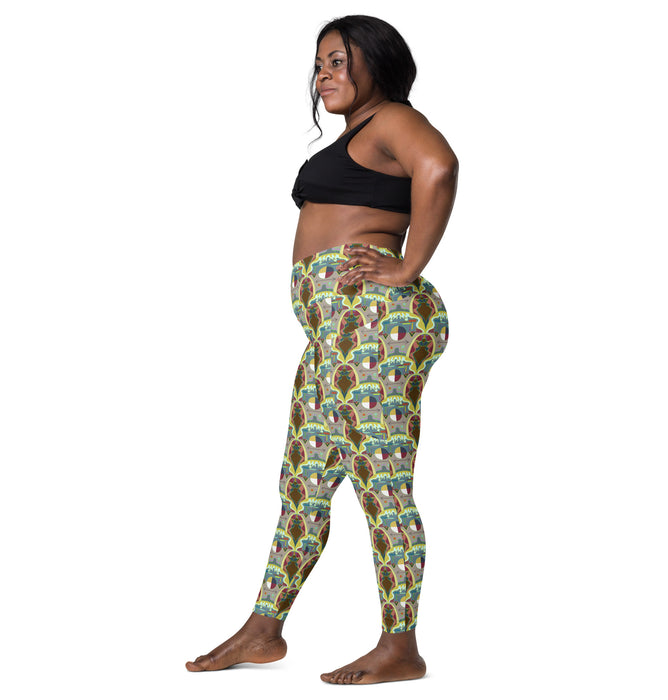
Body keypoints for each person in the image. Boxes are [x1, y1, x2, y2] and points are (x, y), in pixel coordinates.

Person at [185, 14, 458, 685]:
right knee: (303, 483)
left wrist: (407, 266)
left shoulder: (394, 119)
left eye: (339, 61)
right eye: (319, 65)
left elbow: (439, 167)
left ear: (377, 64)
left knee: (381, 483)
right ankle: (264, 628)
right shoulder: (358, 134)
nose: (324, 75)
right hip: (336, 333)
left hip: (375, 324)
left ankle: (401, 646)